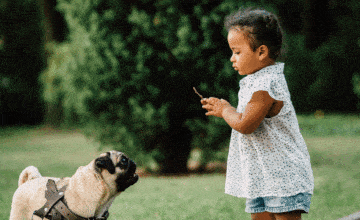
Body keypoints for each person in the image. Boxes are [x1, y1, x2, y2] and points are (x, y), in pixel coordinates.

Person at [200, 7, 314, 220]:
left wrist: (225, 110)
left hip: (283, 178)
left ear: (261, 52)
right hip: (261, 176)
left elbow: (245, 125)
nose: (232, 58)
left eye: (237, 51)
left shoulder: (266, 85)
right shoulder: (254, 82)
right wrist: (226, 109)